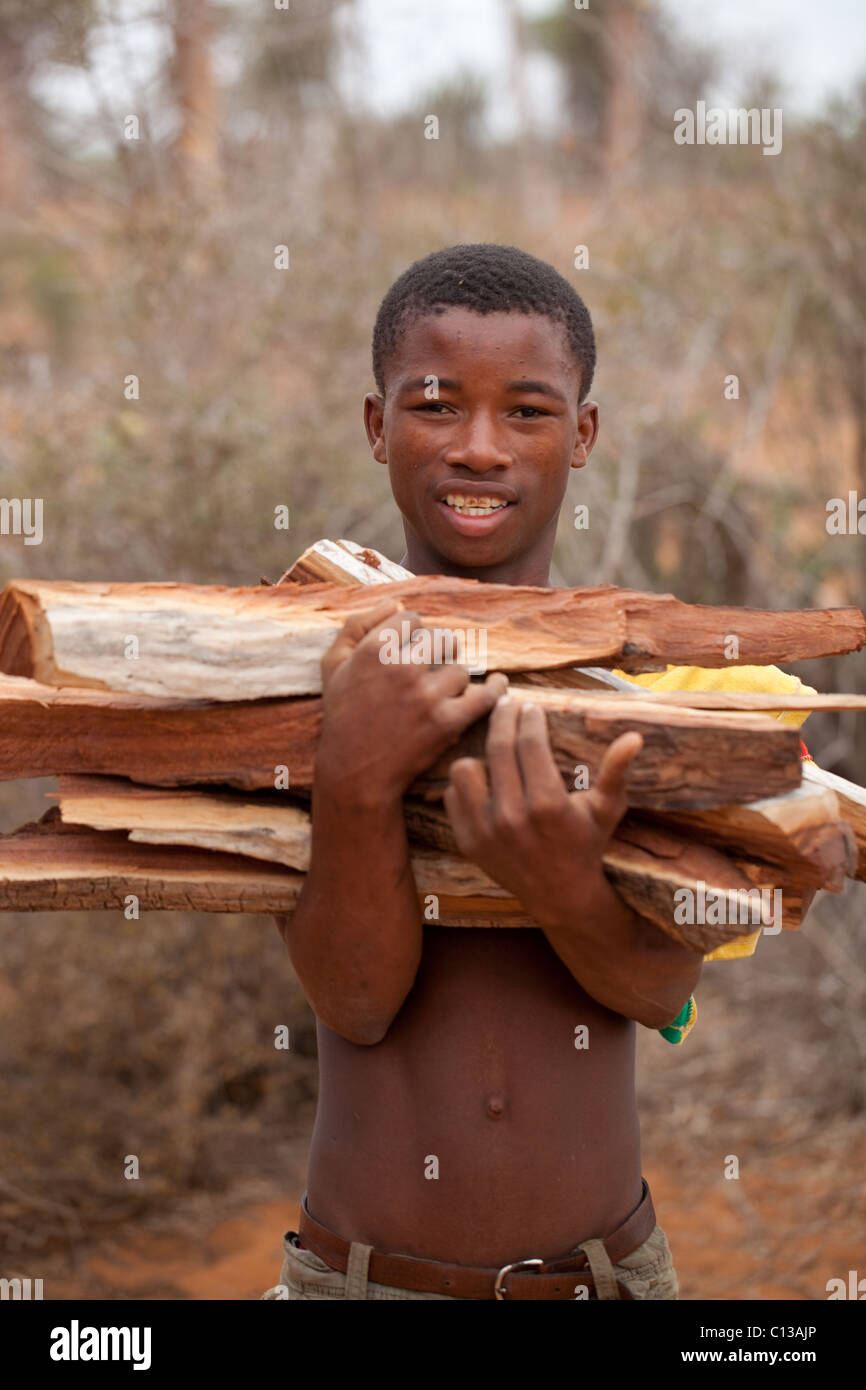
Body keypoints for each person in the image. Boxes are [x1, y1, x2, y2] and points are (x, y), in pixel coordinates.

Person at [262, 243, 815, 1301]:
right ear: (376, 426)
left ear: (583, 433)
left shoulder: (666, 694)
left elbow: (661, 990)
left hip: (603, 1279)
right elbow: (355, 1000)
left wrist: (564, 886)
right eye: (433, 406)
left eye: (525, 411)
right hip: (358, 1280)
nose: (478, 448)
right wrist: (356, 780)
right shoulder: (308, 672)